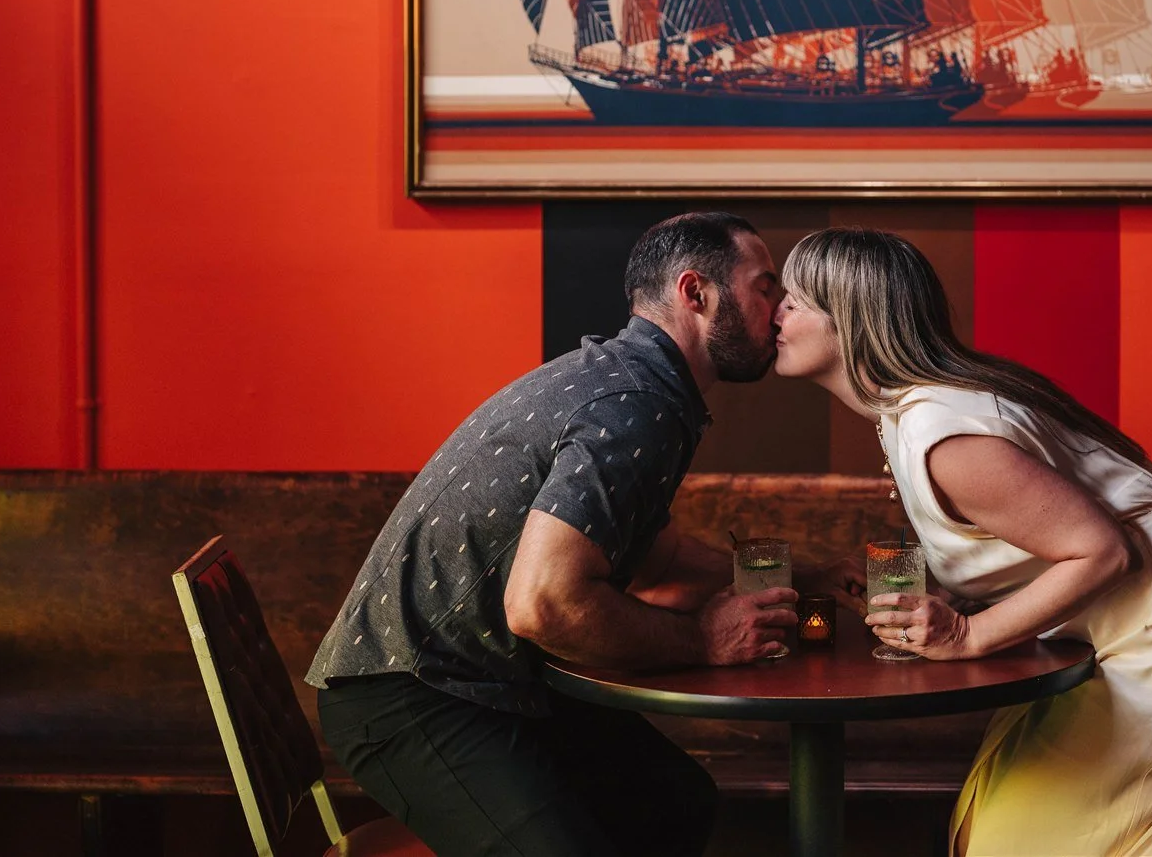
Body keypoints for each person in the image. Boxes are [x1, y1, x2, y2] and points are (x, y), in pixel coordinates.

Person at [308, 212, 801, 857]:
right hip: (411, 696)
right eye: (766, 285)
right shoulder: (634, 405)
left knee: (674, 802)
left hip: (487, 683)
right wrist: (704, 640)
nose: (781, 306)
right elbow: (544, 605)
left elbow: (661, 559)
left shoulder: (637, 387)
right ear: (696, 294)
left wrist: (803, 578)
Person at [774, 228, 1152, 857]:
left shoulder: (942, 433)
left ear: (849, 320)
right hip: (1140, 613)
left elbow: (1104, 551)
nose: (776, 313)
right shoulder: (912, 412)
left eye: (794, 300)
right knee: (986, 818)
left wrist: (965, 636)